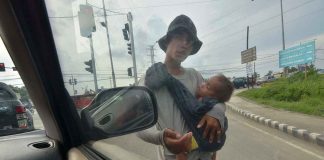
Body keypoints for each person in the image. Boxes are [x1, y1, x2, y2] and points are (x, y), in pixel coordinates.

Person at [137, 14, 225, 160]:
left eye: (189, 41)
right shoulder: (149, 80)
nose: (184, 44)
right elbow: (139, 124)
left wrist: (216, 114)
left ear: (191, 49)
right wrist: (161, 138)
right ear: (168, 41)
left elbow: (218, 101)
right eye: (179, 36)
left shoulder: (194, 76)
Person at [176, 74, 234, 160]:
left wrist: (180, 152)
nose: (202, 84)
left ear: (213, 97)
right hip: (209, 149)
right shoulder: (212, 106)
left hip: (195, 151)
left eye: (207, 86)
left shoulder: (204, 106)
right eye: (206, 82)